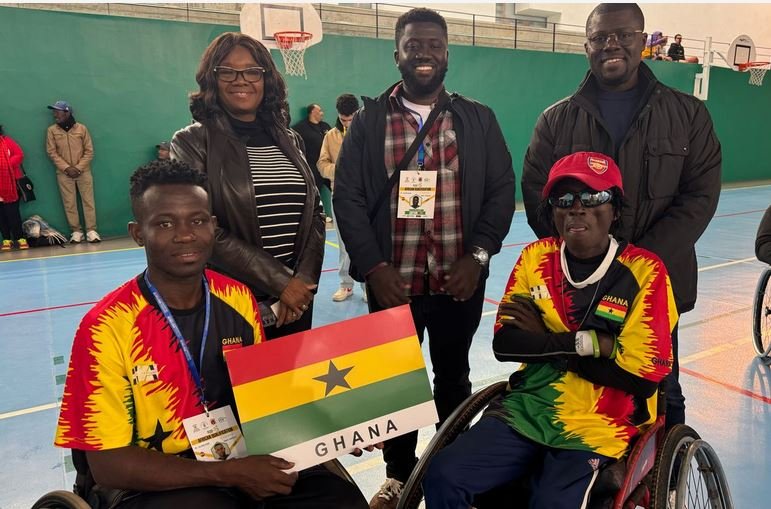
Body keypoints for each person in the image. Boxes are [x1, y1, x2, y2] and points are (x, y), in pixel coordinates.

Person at [54, 159, 368, 509]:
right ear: (138, 232)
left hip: (239, 453)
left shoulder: (237, 298)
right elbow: (108, 465)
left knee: (337, 498)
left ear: (213, 226)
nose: (185, 234)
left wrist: (333, 427)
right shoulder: (107, 326)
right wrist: (230, 475)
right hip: (153, 482)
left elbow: (263, 399)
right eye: (165, 223)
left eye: (198, 220)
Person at [334, 8, 516, 508]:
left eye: (434, 45)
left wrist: (477, 256)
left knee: (453, 374)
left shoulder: (476, 118)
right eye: (414, 45)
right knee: (396, 385)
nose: (424, 53)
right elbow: (347, 195)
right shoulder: (370, 122)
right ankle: (398, 475)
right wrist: (373, 268)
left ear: (447, 54)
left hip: (458, 282)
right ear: (397, 54)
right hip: (394, 282)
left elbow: (502, 189)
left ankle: (449, 466)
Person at [423, 152, 676, 509]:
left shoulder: (645, 271)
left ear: (615, 209)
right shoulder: (535, 258)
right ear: (552, 211)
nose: (577, 208)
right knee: (444, 475)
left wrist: (544, 342)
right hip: (527, 407)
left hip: (601, 422)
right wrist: (591, 344)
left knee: (551, 503)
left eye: (593, 197)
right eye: (564, 199)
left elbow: (640, 378)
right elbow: (506, 343)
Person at [521, 2, 722, 428]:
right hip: (576, 290)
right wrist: (584, 264)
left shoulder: (689, 115)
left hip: (658, 285)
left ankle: (660, 478)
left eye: (623, 35)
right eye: (599, 37)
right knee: (583, 384)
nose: (611, 44)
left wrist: (634, 270)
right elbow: (539, 197)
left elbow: (699, 198)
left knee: (663, 387)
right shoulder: (556, 121)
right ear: (587, 45)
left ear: (643, 41)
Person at [171, 32, 325, 339]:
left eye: (253, 71)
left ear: (266, 78)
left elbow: (315, 214)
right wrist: (281, 282)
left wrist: (303, 282)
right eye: (227, 71)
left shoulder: (289, 140)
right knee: (234, 387)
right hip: (234, 303)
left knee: (291, 385)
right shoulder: (192, 142)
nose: (241, 80)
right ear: (212, 79)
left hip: (295, 303)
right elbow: (201, 227)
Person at [317, 93, 366, 302]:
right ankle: (346, 285)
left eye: (351, 118)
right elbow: (321, 164)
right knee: (343, 241)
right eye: (344, 119)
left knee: (366, 240)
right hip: (341, 196)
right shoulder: (330, 136)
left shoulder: (369, 133)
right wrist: (339, 170)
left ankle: (367, 286)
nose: (347, 122)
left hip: (365, 196)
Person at [45, 100, 101, 243]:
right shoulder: (52, 131)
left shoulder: (81, 129)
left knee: (88, 201)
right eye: (54, 111)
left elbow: (89, 151)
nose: (55, 114)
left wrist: (78, 168)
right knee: (69, 202)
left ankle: (91, 231)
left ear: (67, 112)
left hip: (83, 172)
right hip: (64, 174)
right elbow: (52, 152)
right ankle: (76, 231)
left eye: (58, 111)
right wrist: (66, 168)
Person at [292, 103, 332, 221]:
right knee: (314, 193)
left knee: (338, 189)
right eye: (319, 111)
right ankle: (315, 217)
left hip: (326, 165)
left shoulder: (325, 126)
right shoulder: (300, 128)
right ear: (313, 112)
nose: (322, 113)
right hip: (312, 167)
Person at [0, 124, 28, 251]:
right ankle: (6, 239)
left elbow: (19, 154)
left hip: (11, 183)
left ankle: (20, 238)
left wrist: (5, 165)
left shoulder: (7, 141)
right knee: (1, 215)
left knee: (13, 213)